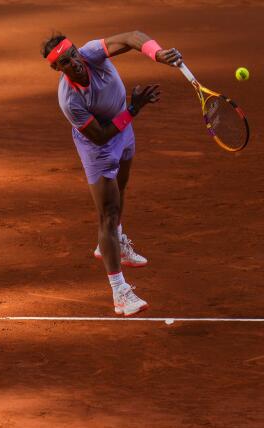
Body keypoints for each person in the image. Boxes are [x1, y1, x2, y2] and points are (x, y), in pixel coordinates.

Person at [41, 31, 182, 316]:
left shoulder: (91, 53)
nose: (76, 63)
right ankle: (119, 292)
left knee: (121, 188)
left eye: (74, 55)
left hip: (124, 129)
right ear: (58, 68)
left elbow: (132, 37)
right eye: (67, 62)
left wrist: (157, 54)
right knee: (107, 212)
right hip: (99, 146)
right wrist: (133, 108)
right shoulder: (69, 101)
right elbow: (102, 136)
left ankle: (116, 240)